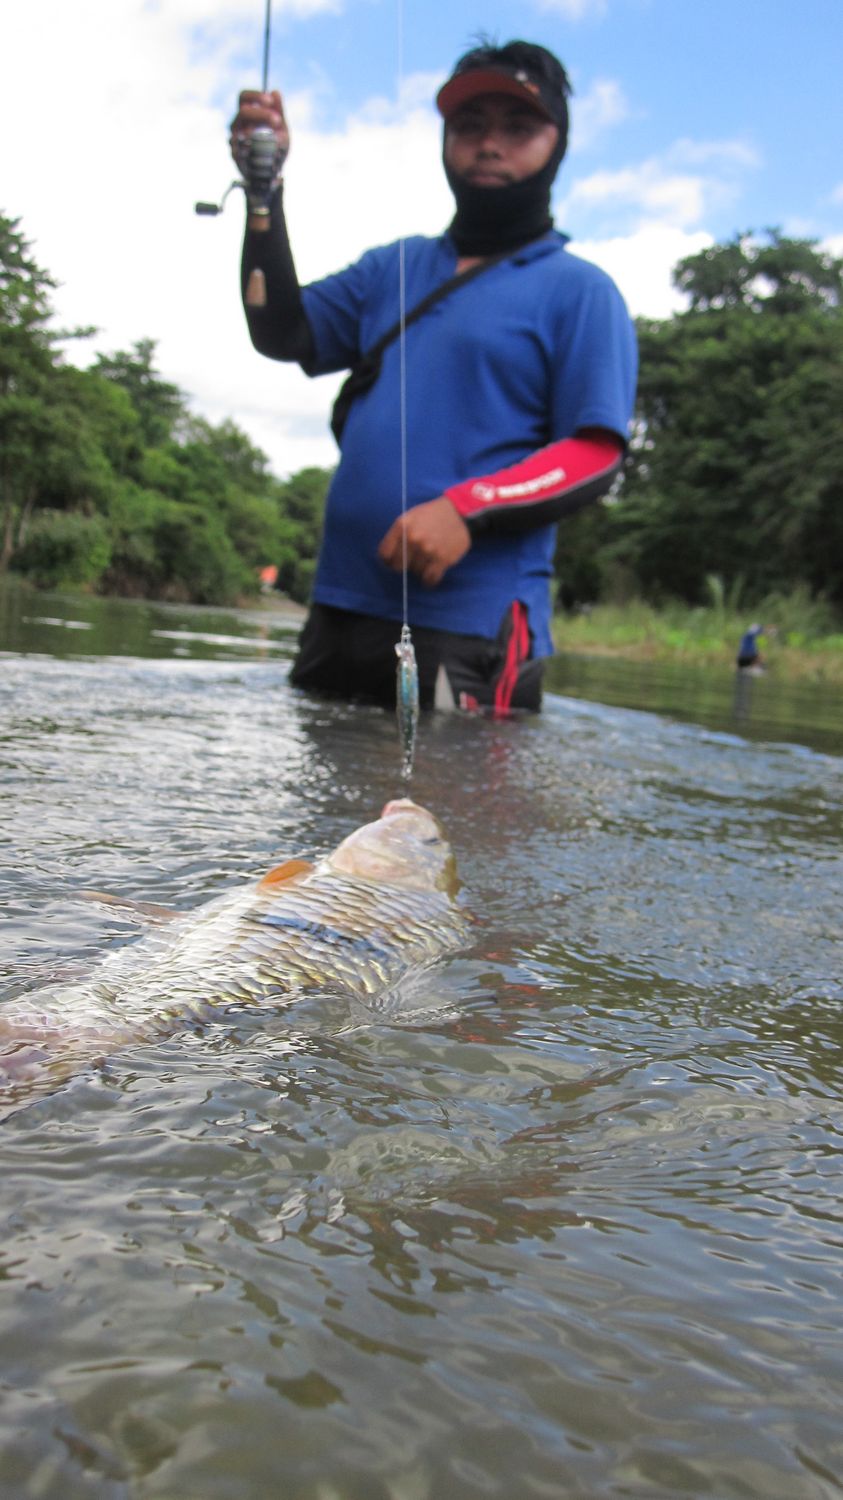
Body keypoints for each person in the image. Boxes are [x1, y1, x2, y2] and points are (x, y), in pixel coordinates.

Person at [230, 39, 638, 711]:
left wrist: (467, 509)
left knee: (457, 818)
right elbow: (281, 331)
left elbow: (593, 452)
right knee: (319, 818)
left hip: (470, 629)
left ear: (556, 144)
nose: (488, 144)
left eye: (517, 127)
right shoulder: (391, 267)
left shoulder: (580, 292)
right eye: (469, 125)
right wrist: (262, 191)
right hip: (337, 607)